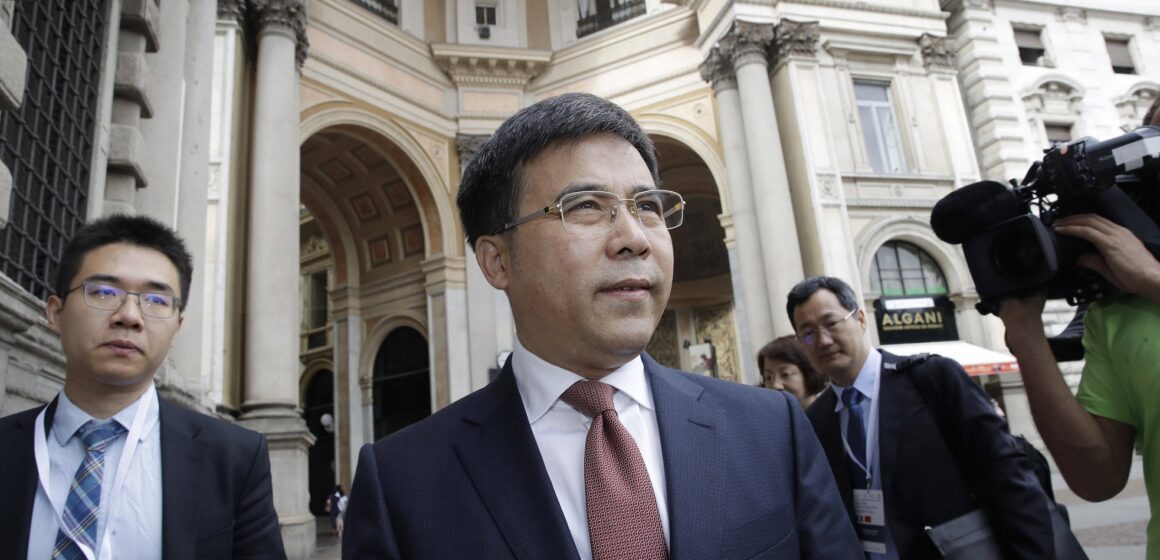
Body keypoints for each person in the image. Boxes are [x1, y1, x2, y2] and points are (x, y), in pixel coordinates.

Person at [343, 93, 858, 559]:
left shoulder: (771, 429)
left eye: (648, 206)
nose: (634, 237)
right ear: (496, 261)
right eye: (587, 206)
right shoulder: (402, 485)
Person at [0, 215, 285, 559]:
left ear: (178, 326)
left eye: (156, 301)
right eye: (104, 292)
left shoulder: (234, 458)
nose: (129, 315)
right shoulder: (7, 447)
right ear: (56, 313)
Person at [995, 99, 1160, 557]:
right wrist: (1024, 334)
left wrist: (1152, 281)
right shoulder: (1115, 309)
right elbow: (1096, 478)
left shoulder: (1143, 282)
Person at [788, 276, 1053, 559]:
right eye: (808, 333)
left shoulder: (932, 379)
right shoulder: (814, 421)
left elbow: (1007, 477)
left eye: (832, 323)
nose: (823, 340)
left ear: (861, 319)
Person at [758, 335, 828, 409]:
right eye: (768, 377)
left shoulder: (834, 414)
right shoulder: (766, 419)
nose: (776, 385)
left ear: (808, 373)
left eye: (785, 374)